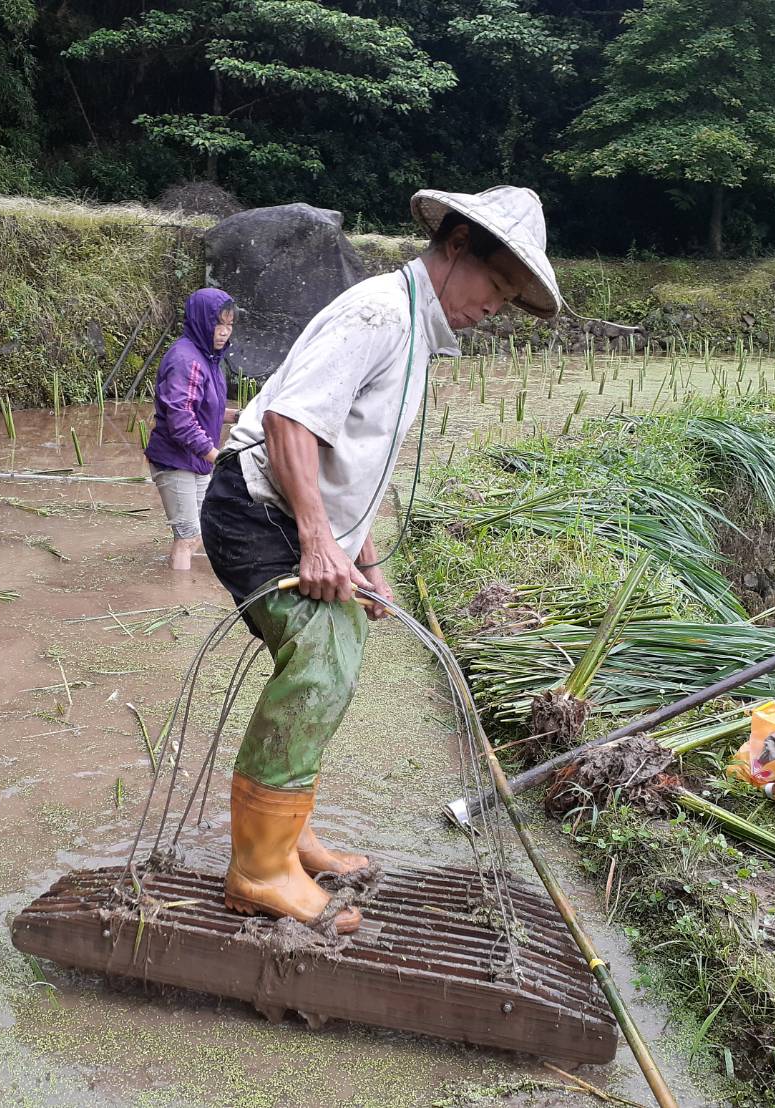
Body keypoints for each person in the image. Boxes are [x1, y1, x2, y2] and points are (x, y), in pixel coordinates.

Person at [200, 186, 564, 934]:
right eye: (495, 287)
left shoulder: (413, 333)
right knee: (320, 660)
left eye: (506, 300)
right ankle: (258, 869)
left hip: (293, 513)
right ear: (456, 245)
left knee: (335, 658)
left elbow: (351, 464)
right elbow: (289, 421)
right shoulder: (378, 314)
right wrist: (315, 540)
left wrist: (363, 563)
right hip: (256, 508)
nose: (493, 308)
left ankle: (288, 838)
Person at [145, 288, 238, 571]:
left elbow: (205, 409)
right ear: (201, 321)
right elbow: (182, 421)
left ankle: (180, 576)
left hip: (196, 460)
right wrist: (218, 457)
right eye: (218, 323)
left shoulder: (209, 358)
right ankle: (178, 592)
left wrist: (239, 417)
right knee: (188, 537)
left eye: (229, 324)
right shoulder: (186, 360)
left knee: (202, 532)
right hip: (175, 462)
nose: (224, 332)